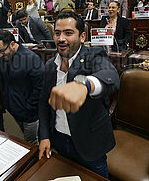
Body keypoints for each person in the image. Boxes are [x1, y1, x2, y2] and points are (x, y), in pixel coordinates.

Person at [38, 12, 119, 178]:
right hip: (59, 140)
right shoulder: (49, 66)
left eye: (68, 33)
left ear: (82, 37)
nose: (61, 38)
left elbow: (111, 77)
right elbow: (43, 104)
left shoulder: (94, 55)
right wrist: (44, 136)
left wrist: (84, 85)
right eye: (57, 33)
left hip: (90, 142)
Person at [0, 30, 44, 145]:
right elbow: (4, 81)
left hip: (29, 113)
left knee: (31, 143)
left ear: (12, 44)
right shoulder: (4, 57)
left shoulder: (31, 58)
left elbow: (41, 87)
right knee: (18, 139)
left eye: (1, 51)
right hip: (13, 109)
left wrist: (29, 106)